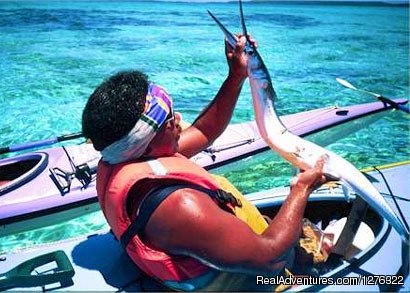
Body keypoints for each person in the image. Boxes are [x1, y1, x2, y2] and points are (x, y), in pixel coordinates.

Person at [82, 35, 328, 291]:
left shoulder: (122, 158)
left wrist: (236, 76)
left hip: (219, 249)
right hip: (251, 278)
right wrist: (302, 189)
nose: (178, 118)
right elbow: (270, 259)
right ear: (146, 141)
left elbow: (204, 130)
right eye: (169, 119)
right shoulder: (179, 206)